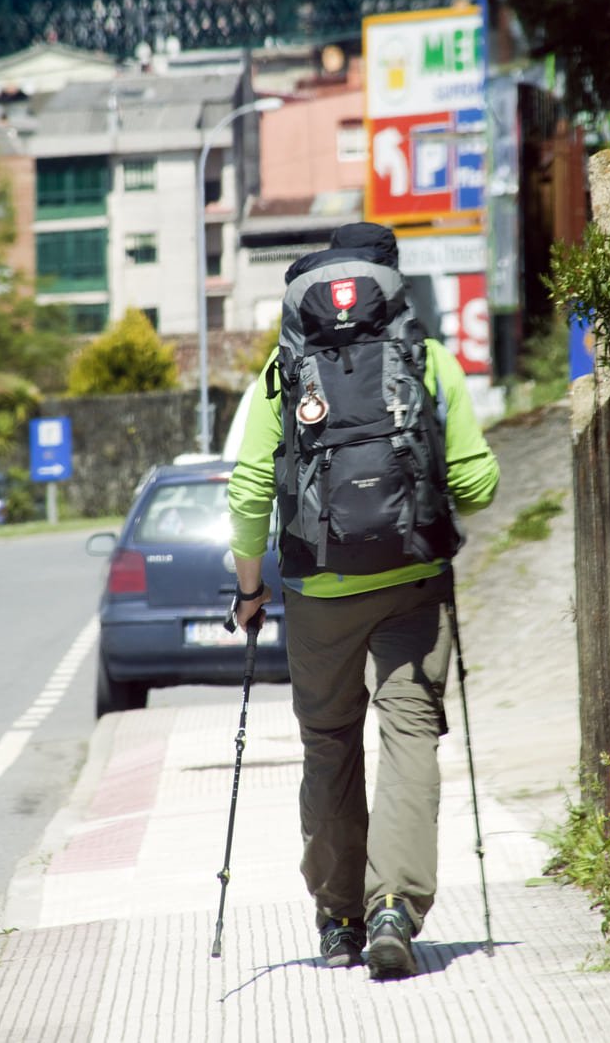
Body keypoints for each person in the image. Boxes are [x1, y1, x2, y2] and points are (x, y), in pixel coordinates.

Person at [228, 223, 499, 979]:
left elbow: (248, 491)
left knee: (329, 743)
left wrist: (250, 590)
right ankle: (395, 908)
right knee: (409, 734)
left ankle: (340, 919)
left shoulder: (282, 372)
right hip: (413, 580)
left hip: (318, 588)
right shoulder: (428, 358)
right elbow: (478, 484)